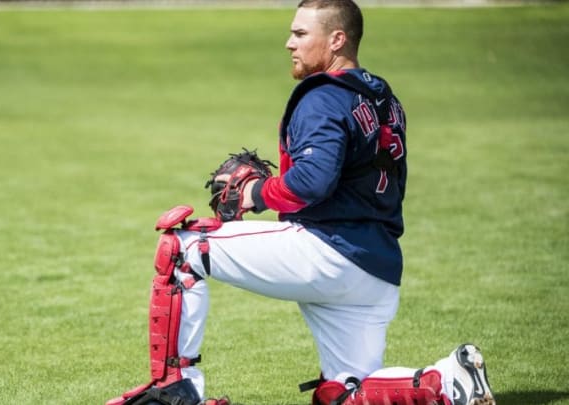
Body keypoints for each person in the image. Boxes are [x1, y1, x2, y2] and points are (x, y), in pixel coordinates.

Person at [107, 1, 495, 404]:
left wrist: (254, 193)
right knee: (342, 395)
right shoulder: (382, 97)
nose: (289, 43)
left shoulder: (323, 96)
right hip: (376, 271)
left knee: (183, 248)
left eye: (300, 34)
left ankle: (174, 390)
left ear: (337, 39)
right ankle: (447, 381)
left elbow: (312, 181)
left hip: (327, 251)